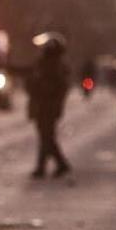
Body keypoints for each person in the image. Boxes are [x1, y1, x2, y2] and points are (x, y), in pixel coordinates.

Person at [27, 32, 72, 178]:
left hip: (47, 108)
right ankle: (50, 166)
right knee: (46, 137)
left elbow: (50, 87)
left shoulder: (54, 66)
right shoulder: (45, 64)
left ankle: (57, 164)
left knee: (46, 137)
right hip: (44, 107)